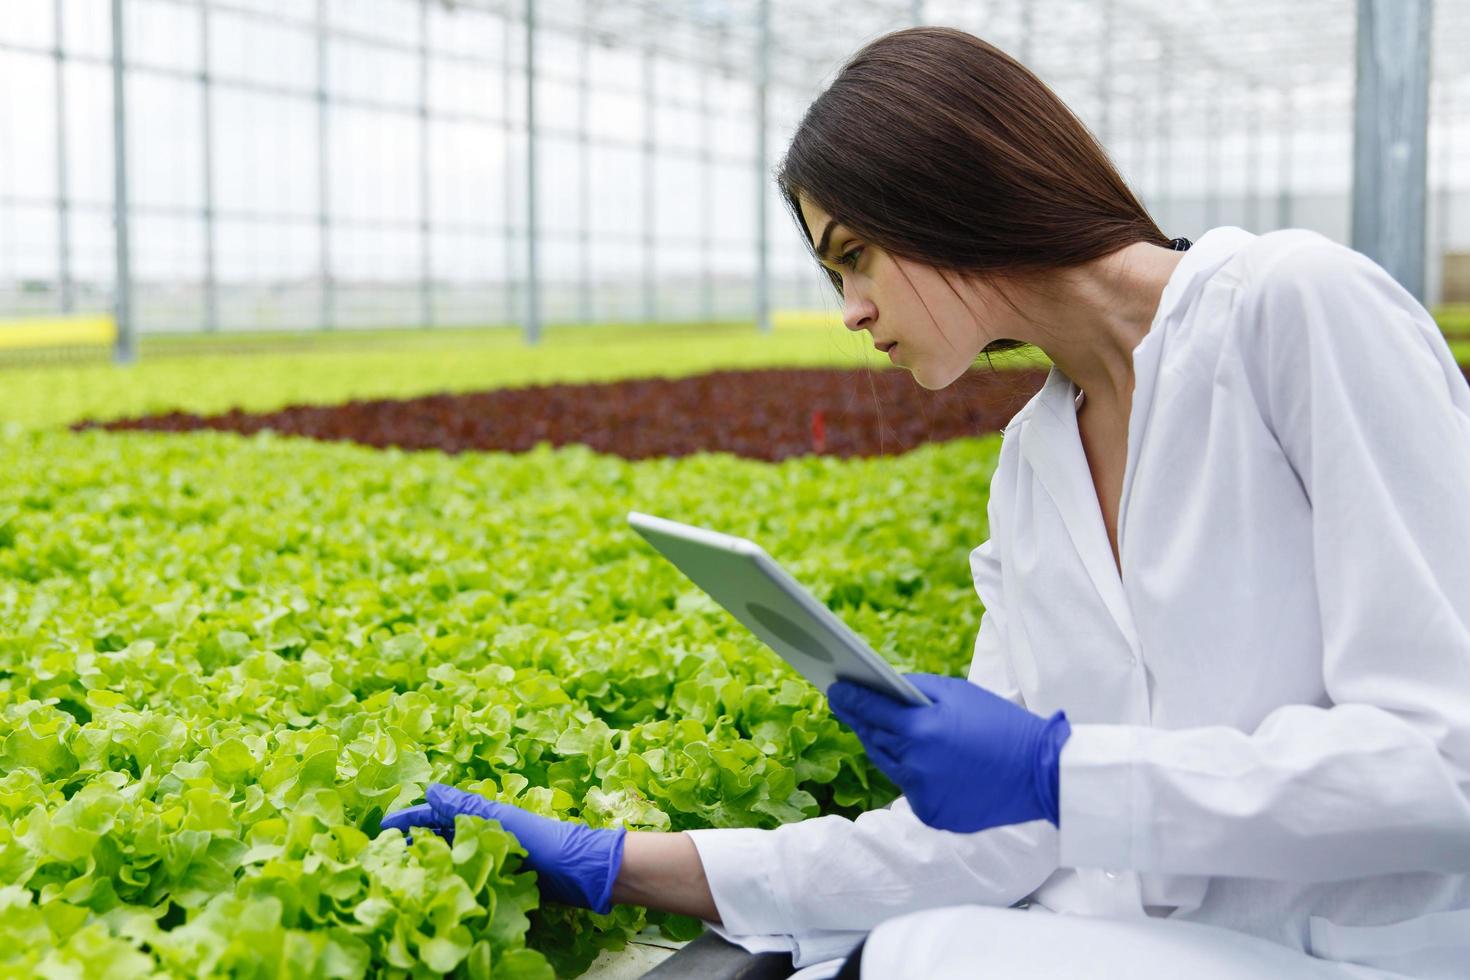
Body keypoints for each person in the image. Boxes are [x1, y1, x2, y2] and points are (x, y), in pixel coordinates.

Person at [380, 27, 1470, 980]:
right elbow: (988, 843)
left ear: (950, 185)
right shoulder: (1033, 462)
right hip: (1137, 947)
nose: (851, 312)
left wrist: (1057, 767)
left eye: (856, 257)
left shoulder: (1293, 308)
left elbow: (1445, 764)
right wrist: (615, 863)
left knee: (918, 955)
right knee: (910, 943)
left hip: (1363, 951)